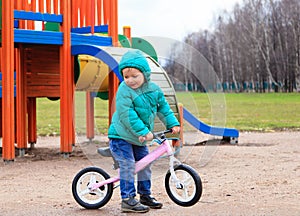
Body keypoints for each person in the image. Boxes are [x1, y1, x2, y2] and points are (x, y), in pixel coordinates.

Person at [108, 49, 180, 213]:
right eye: (126, 77)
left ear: (145, 74)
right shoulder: (124, 91)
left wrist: (173, 123)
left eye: (135, 76)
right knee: (128, 165)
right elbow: (127, 114)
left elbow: (164, 108)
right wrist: (143, 131)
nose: (130, 80)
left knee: (146, 164)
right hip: (121, 137)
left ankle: (145, 195)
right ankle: (127, 199)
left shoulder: (154, 90)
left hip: (138, 138)